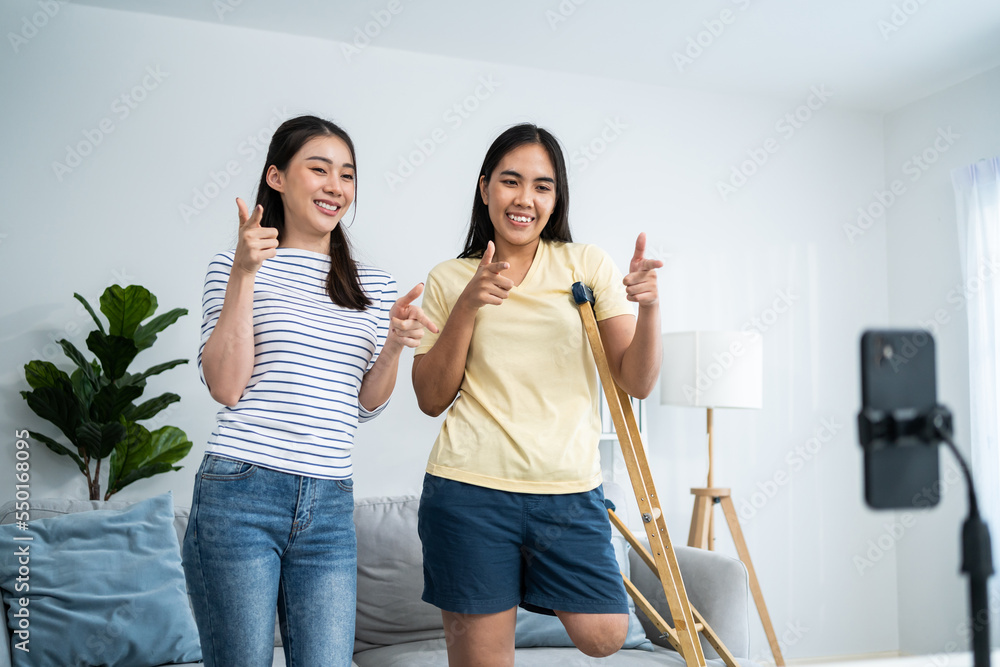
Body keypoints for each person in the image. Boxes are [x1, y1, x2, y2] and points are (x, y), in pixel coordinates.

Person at [182, 114, 437, 667]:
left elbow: (367, 406)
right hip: (240, 491)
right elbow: (226, 387)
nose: (335, 187)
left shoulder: (373, 285)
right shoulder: (232, 265)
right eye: (318, 169)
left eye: (346, 175)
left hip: (328, 503)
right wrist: (245, 275)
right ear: (276, 177)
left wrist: (394, 345)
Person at [411, 123, 663, 666]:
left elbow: (636, 382)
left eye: (542, 186)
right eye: (510, 181)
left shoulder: (585, 265)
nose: (525, 199)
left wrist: (650, 309)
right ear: (485, 189)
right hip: (469, 490)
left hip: (568, 492)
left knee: (605, 634)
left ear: (556, 197)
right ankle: (497, 577)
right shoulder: (449, 278)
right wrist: (469, 304)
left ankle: (517, 576)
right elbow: (431, 398)